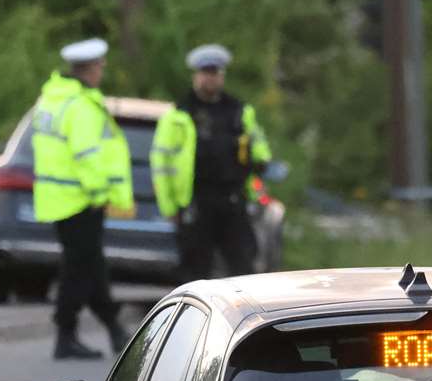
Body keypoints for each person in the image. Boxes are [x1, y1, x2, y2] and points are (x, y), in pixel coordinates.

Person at [32, 38, 134, 360]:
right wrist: (101, 195)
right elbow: (87, 156)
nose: (102, 71)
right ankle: (68, 334)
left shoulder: (52, 99)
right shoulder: (81, 106)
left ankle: (115, 330)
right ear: (90, 68)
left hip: (58, 198)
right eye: (101, 66)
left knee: (90, 266)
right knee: (80, 269)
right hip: (81, 200)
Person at [149, 43, 271, 281]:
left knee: (242, 267)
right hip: (196, 200)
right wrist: (170, 207)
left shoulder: (238, 111)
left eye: (214, 73)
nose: (210, 79)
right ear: (196, 75)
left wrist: (261, 161)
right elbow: (161, 165)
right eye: (205, 73)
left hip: (232, 198)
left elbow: (259, 149)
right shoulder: (179, 114)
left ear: (221, 76)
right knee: (195, 270)